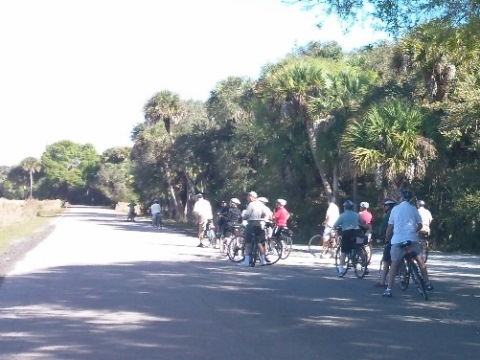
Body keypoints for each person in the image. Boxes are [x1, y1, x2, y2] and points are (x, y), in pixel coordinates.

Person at [383, 189, 433, 298]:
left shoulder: (395, 209)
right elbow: (420, 225)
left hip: (397, 240)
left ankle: (389, 289)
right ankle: (428, 283)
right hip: (412, 239)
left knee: (394, 263)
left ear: (400, 198)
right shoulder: (414, 209)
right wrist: (413, 231)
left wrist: (387, 239)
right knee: (420, 260)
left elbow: (390, 227)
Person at [333, 200, 366, 277]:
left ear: (344, 207)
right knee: (358, 247)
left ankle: (340, 271)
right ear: (351, 207)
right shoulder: (356, 215)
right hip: (356, 232)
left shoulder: (342, 216)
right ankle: (364, 262)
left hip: (346, 233)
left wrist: (336, 227)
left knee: (343, 251)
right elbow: (363, 222)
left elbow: (335, 225)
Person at [238, 191, 268, 266]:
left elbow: (247, 214)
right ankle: (263, 260)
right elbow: (265, 214)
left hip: (251, 223)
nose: (247, 198)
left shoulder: (251, 204)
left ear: (251, 196)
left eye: (248, 196)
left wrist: (242, 218)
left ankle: (246, 261)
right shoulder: (261, 204)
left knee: (248, 242)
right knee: (259, 242)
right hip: (260, 224)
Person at [374, 198, 396, 288]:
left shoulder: (389, 214)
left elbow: (384, 227)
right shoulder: (398, 211)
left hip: (393, 238)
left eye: (385, 206)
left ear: (388, 206)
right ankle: (404, 277)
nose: (384, 207)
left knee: (386, 259)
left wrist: (378, 233)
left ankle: (382, 282)